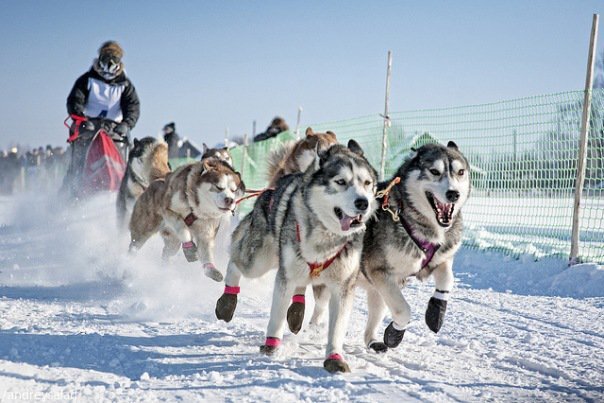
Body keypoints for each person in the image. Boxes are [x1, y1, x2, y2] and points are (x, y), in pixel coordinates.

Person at [62, 40, 140, 196]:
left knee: (128, 163)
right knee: (77, 164)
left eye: (113, 61)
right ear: (100, 60)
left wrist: (126, 124)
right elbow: (75, 101)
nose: (109, 65)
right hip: (88, 127)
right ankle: (70, 193)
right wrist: (81, 120)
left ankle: (126, 194)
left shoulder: (125, 85)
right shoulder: (87, 80)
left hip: (114, 130)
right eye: (106, 60)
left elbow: (133, 106)